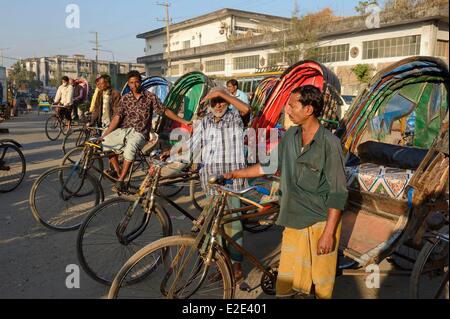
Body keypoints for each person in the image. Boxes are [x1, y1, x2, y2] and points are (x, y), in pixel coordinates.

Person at [223, 85, 348, 299]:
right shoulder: (290, 136)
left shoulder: (330, 143)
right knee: (286, 284)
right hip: (293, 220)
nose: (287, 110)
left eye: (292, 105)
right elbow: (268, 166)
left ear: (308, 109)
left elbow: (338, 191)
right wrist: (236, 174)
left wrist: (328, 233)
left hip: (320, 223)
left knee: (321, 287)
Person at [178, 87, 251, 282]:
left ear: (227, 102)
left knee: (233, 225)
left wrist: (224, 95)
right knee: (215, 226)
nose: (218, 105)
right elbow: (193, 143)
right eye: (214, 102)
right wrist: (171, 153)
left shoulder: (234, 117)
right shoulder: (205, 121)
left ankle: (236, 267)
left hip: (232, 180)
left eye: (221, 101)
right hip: (210, 180)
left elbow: (246, 110)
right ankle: (223, 265)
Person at [101, 70, 189, 192]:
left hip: (140, 132)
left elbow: (164, 111)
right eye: (131, 83)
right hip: (125, 129)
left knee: (130, 147)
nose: (134, 85)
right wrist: (106, 134)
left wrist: (183, 121)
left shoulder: (150, 97)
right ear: (128, 84)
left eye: (136, 82)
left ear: (140, 82)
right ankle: (117, 171)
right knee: (105, 141)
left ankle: (121, 180)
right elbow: (117, 117)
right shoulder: (125, 98)